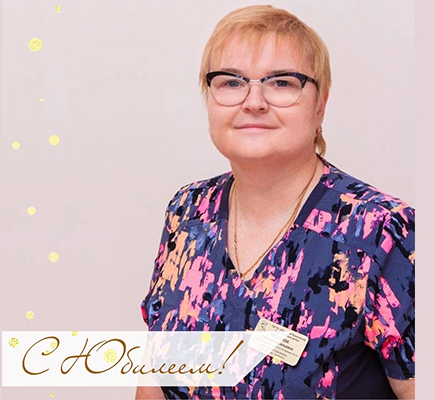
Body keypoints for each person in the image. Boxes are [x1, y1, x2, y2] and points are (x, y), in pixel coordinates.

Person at [137, 5, 415, 400]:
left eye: (282, 82)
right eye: (231, 82)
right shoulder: (188, 212)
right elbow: (156, 378)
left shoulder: (382, 231)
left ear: (320, 104)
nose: (253, 102)